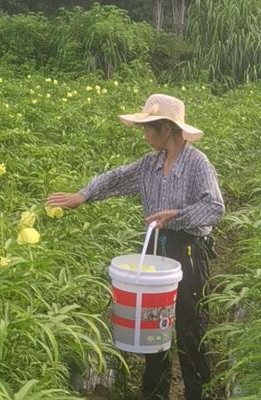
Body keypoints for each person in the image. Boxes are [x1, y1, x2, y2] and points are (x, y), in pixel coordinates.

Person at [46, 93, 225, 400]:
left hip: (189, 252)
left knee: (189, 326)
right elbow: (117, 178)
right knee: (154, 324)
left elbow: (215, 206)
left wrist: (177, 217)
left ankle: (196, 392)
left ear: (165, 130)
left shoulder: (197, 163)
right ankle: (155, 393)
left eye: (147, 129)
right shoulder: (151, 164)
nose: (144, 135)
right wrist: (84, 195)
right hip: (157, 249)